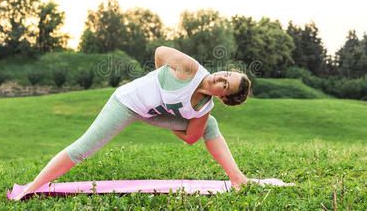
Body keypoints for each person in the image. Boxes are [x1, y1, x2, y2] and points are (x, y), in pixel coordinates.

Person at [13, 46, 253, 201]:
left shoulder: (203, 108)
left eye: (225, 85)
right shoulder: (189, 68)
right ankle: (32, 187)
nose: (221, 77)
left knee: (208, 125)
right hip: (127, 103)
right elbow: (160, 52)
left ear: (222, 97)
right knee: (84, 148)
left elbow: (191, 138)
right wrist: (161, 81)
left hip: (152, 113)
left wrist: (164, 117)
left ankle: (237, 178)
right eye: (227, 74)